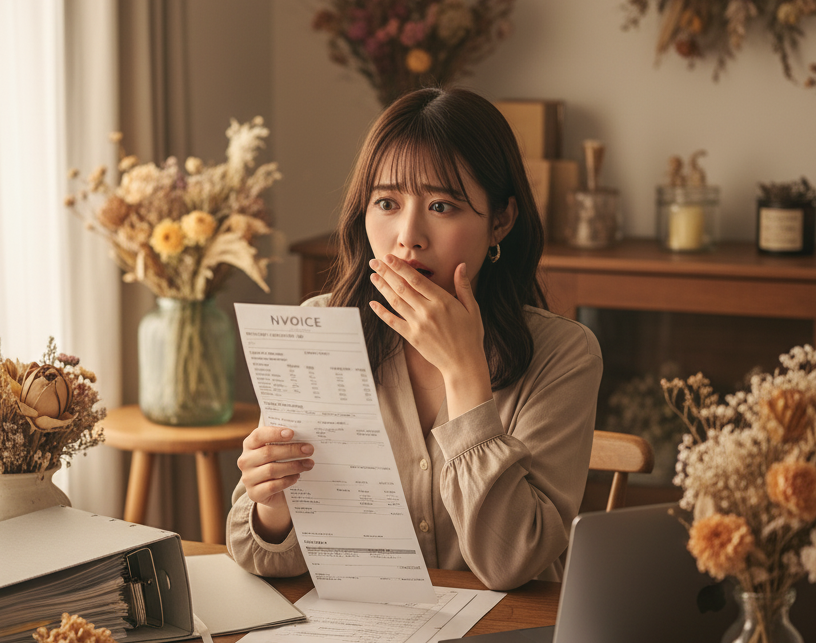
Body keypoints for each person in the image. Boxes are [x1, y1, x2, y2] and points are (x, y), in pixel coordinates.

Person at [227, 87, 602, 590]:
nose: (408, 236)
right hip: (363, 627)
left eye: (442, 206)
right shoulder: (318, 329)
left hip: (502, 630)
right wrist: (275, 504)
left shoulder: (564, 354)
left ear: (501, 220)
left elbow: (512, 563)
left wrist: (465, 371)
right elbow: (258, 557)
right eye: (386, 202)